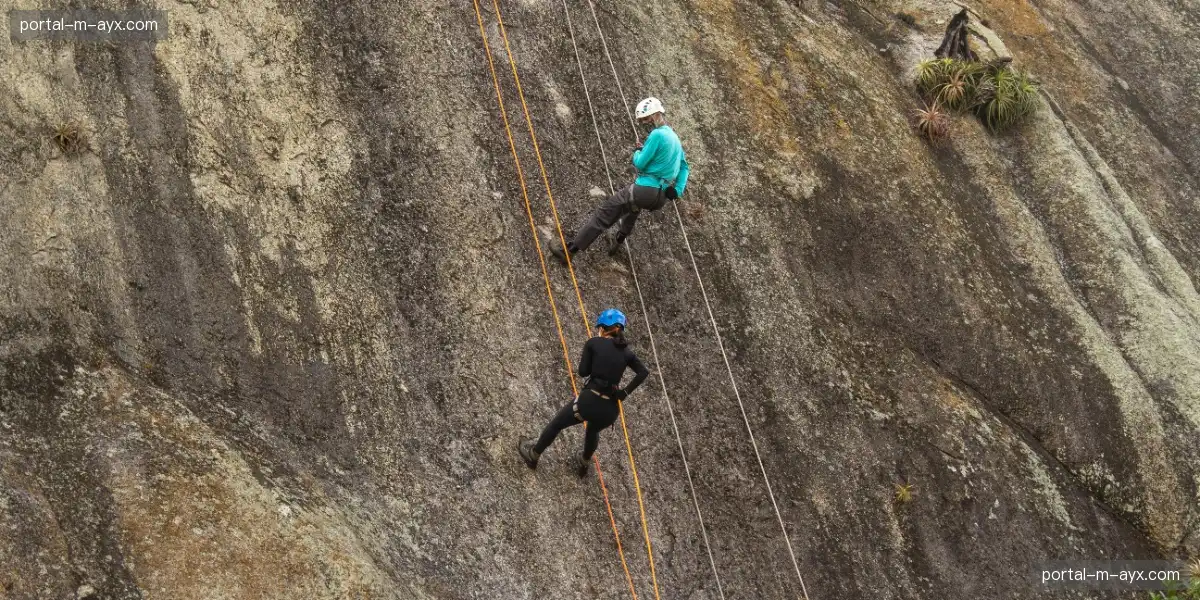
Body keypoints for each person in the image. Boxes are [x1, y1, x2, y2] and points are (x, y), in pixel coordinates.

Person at [547, 96, 690, 262]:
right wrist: (677, 190)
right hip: (661, 197)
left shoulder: (657, 134)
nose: (646, 122)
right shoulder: (675, 139)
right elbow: (684, 167)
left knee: (604, 213)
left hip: (645, 189)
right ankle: (619, 239)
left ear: (653, 115)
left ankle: (569, 251)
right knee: (633, 206)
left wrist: (637, 152)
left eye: (646, 119)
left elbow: (640, 163)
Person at [518, 308, 650, 477]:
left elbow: (583, 372)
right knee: (593, 430)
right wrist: (624, 392)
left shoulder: (594, 343)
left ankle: (533, 455)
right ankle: (584, 462)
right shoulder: (627, 353)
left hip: (590, 400)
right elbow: (643, 372)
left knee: (557, 424)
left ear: (603, 327)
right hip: (610, 410)